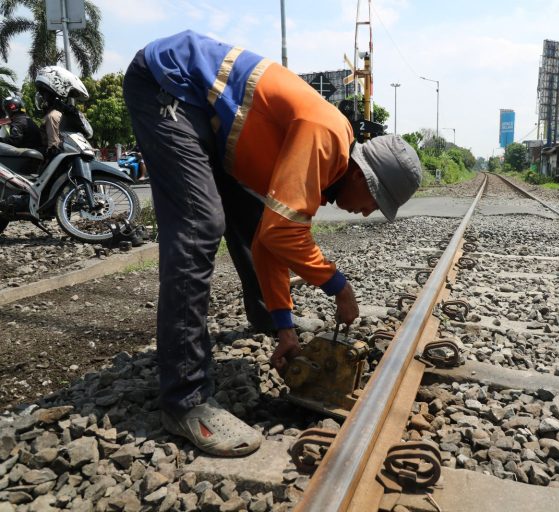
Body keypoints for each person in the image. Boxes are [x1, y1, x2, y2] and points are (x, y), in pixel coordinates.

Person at [123, 30, 422, 457]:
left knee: (250, 221)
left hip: (204, 113)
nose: (368, 212)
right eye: (376, 202)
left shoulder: (326, 158)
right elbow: (285, 234)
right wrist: (339, 286)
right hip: (170, 83)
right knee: (200, 224)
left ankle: (270, 323)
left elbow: (269, 240)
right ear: (362, 176)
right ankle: (185, 400)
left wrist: (285, 326)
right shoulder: (326, 136)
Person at [34, 66, 90, 160]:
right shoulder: (59, 114)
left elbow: (53, 147)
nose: (44, 99)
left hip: (53, 158)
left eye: (45, 95)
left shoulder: (53, 115)